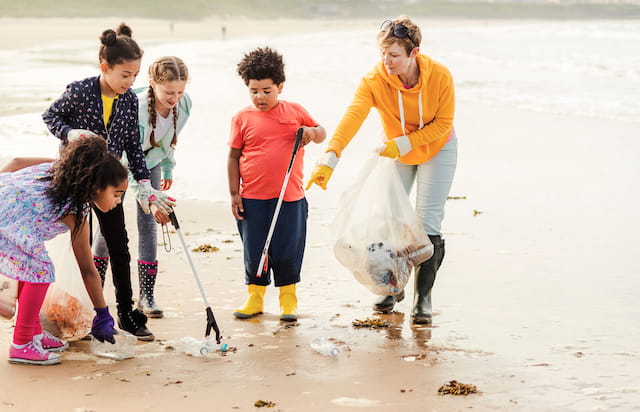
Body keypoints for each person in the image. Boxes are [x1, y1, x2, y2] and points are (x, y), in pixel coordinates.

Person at [306, 16, 458, 325]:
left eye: (394, 55)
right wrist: (329, 158)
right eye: (382, 54)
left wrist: (402, 144)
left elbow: (442, 124)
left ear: (414, 53)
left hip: (438, 147)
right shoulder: (374, 80)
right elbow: (353, 116)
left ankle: (422, 298)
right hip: (395, 151)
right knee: (389, 221)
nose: (386, 62)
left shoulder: (440, 76)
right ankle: (391, 287)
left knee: (428, 222)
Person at [42, 23, 175, 340]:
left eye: (135, 75)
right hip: (75, 181)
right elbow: (51, 117)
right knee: (79, 248)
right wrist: (70, 133)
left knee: (119, 245)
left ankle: (126, 313)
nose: (130, 82)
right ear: (105, 67)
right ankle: (75, 313)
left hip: (108, 184)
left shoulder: (130, 101)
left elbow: (133, 146)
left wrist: (145, 185)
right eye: (124, 75)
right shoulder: (80, 91)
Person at [0, 136, 122, 365]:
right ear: (96, 187)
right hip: (5, 223)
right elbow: (87, 269)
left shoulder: (58, 170)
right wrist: (102, 312)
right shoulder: (75, 211)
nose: (118, 201)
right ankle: (22, 343)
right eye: (116, 194)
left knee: (33, 266)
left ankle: (32, 332)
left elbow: (15, 161)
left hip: (6, 212)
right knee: (41, 270)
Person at [228, 47, 326, 322]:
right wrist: (235, 193)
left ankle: (288, 299)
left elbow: (321, 133)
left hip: (290, 197)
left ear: (280, 87)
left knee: (287, 248)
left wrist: (310, 132)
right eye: (254, 91)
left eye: (267, 91)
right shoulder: (242, 118)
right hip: (253, 198)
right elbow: (233, 156)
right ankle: (255, 297)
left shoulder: (294, 111)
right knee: (254, 248)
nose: (260, 97)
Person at [93, 56, 191, 318]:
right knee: (109, 225)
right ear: (152, 84)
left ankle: (147, 297)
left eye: (180, 91)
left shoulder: (185, 103)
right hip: (119, 164)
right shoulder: (132, 107)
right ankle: (95, 287)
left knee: (148, 225)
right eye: (169, 92)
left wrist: (168, 167)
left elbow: (169, 139)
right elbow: (128, 157)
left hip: (153, 163)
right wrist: (146, 195)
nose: (175, 98)